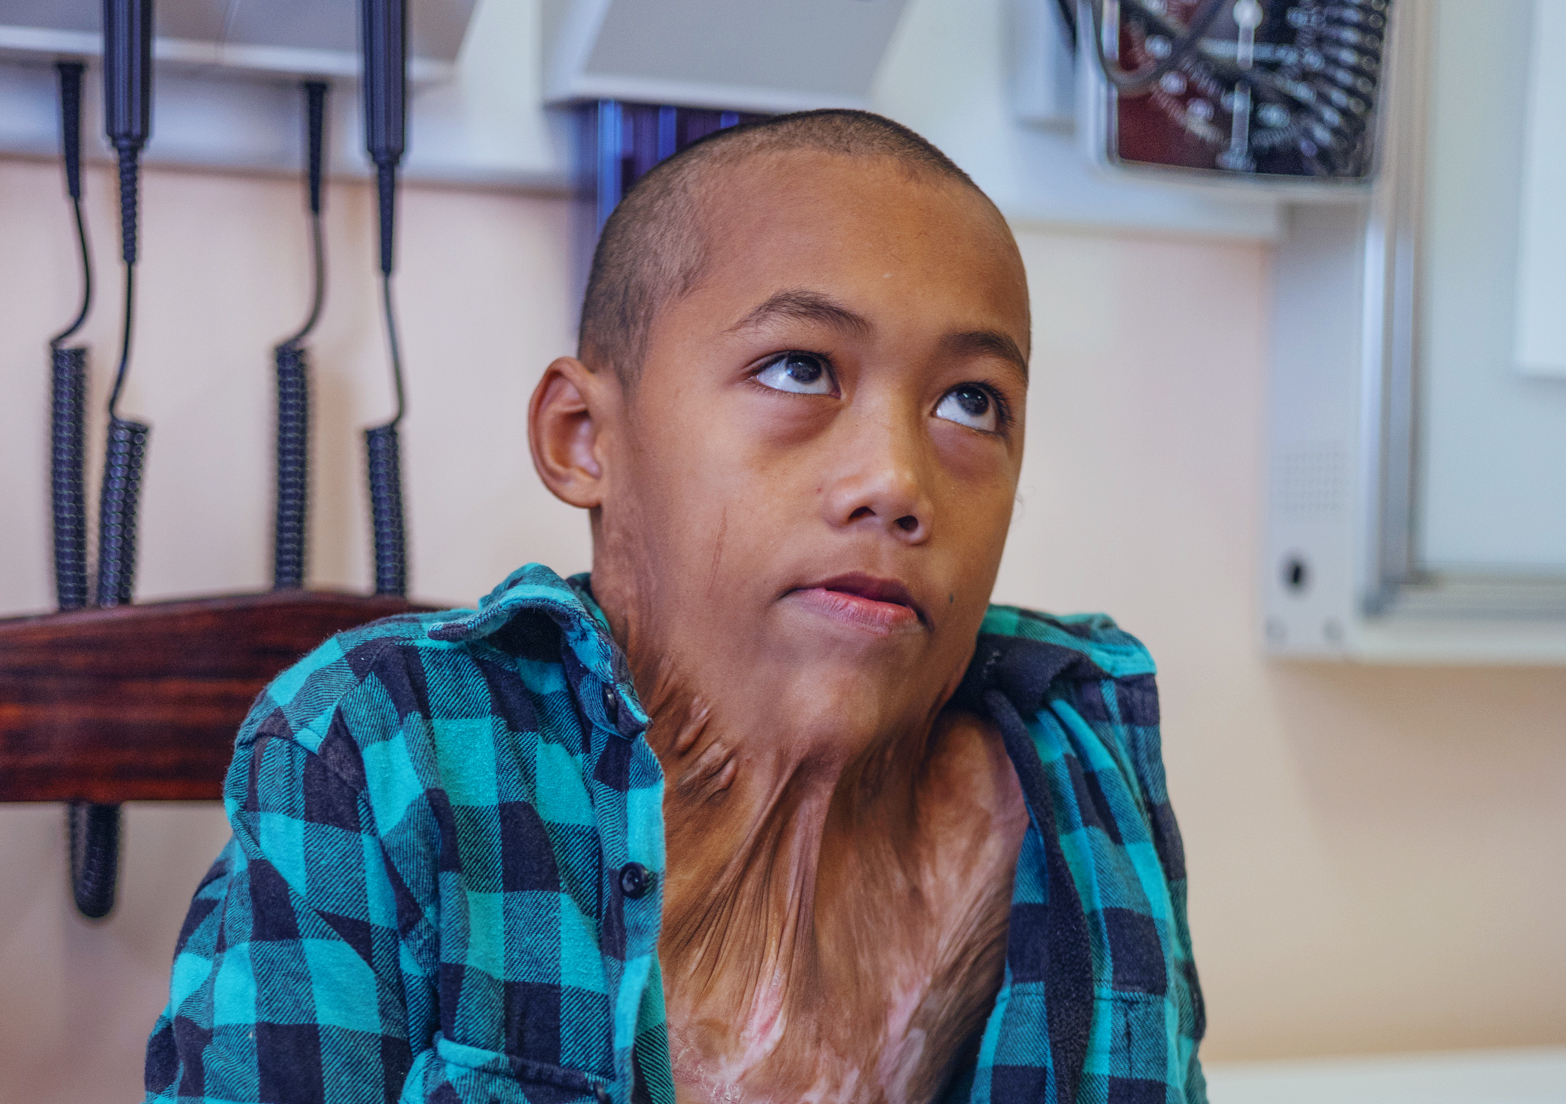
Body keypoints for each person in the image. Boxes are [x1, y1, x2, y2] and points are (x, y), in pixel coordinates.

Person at [145, 109, 1205, 1104]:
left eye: (971, 402)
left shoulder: (1080, 763)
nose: (896, 481)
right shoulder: (382, 753)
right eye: (800, 368)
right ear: (583, 438)